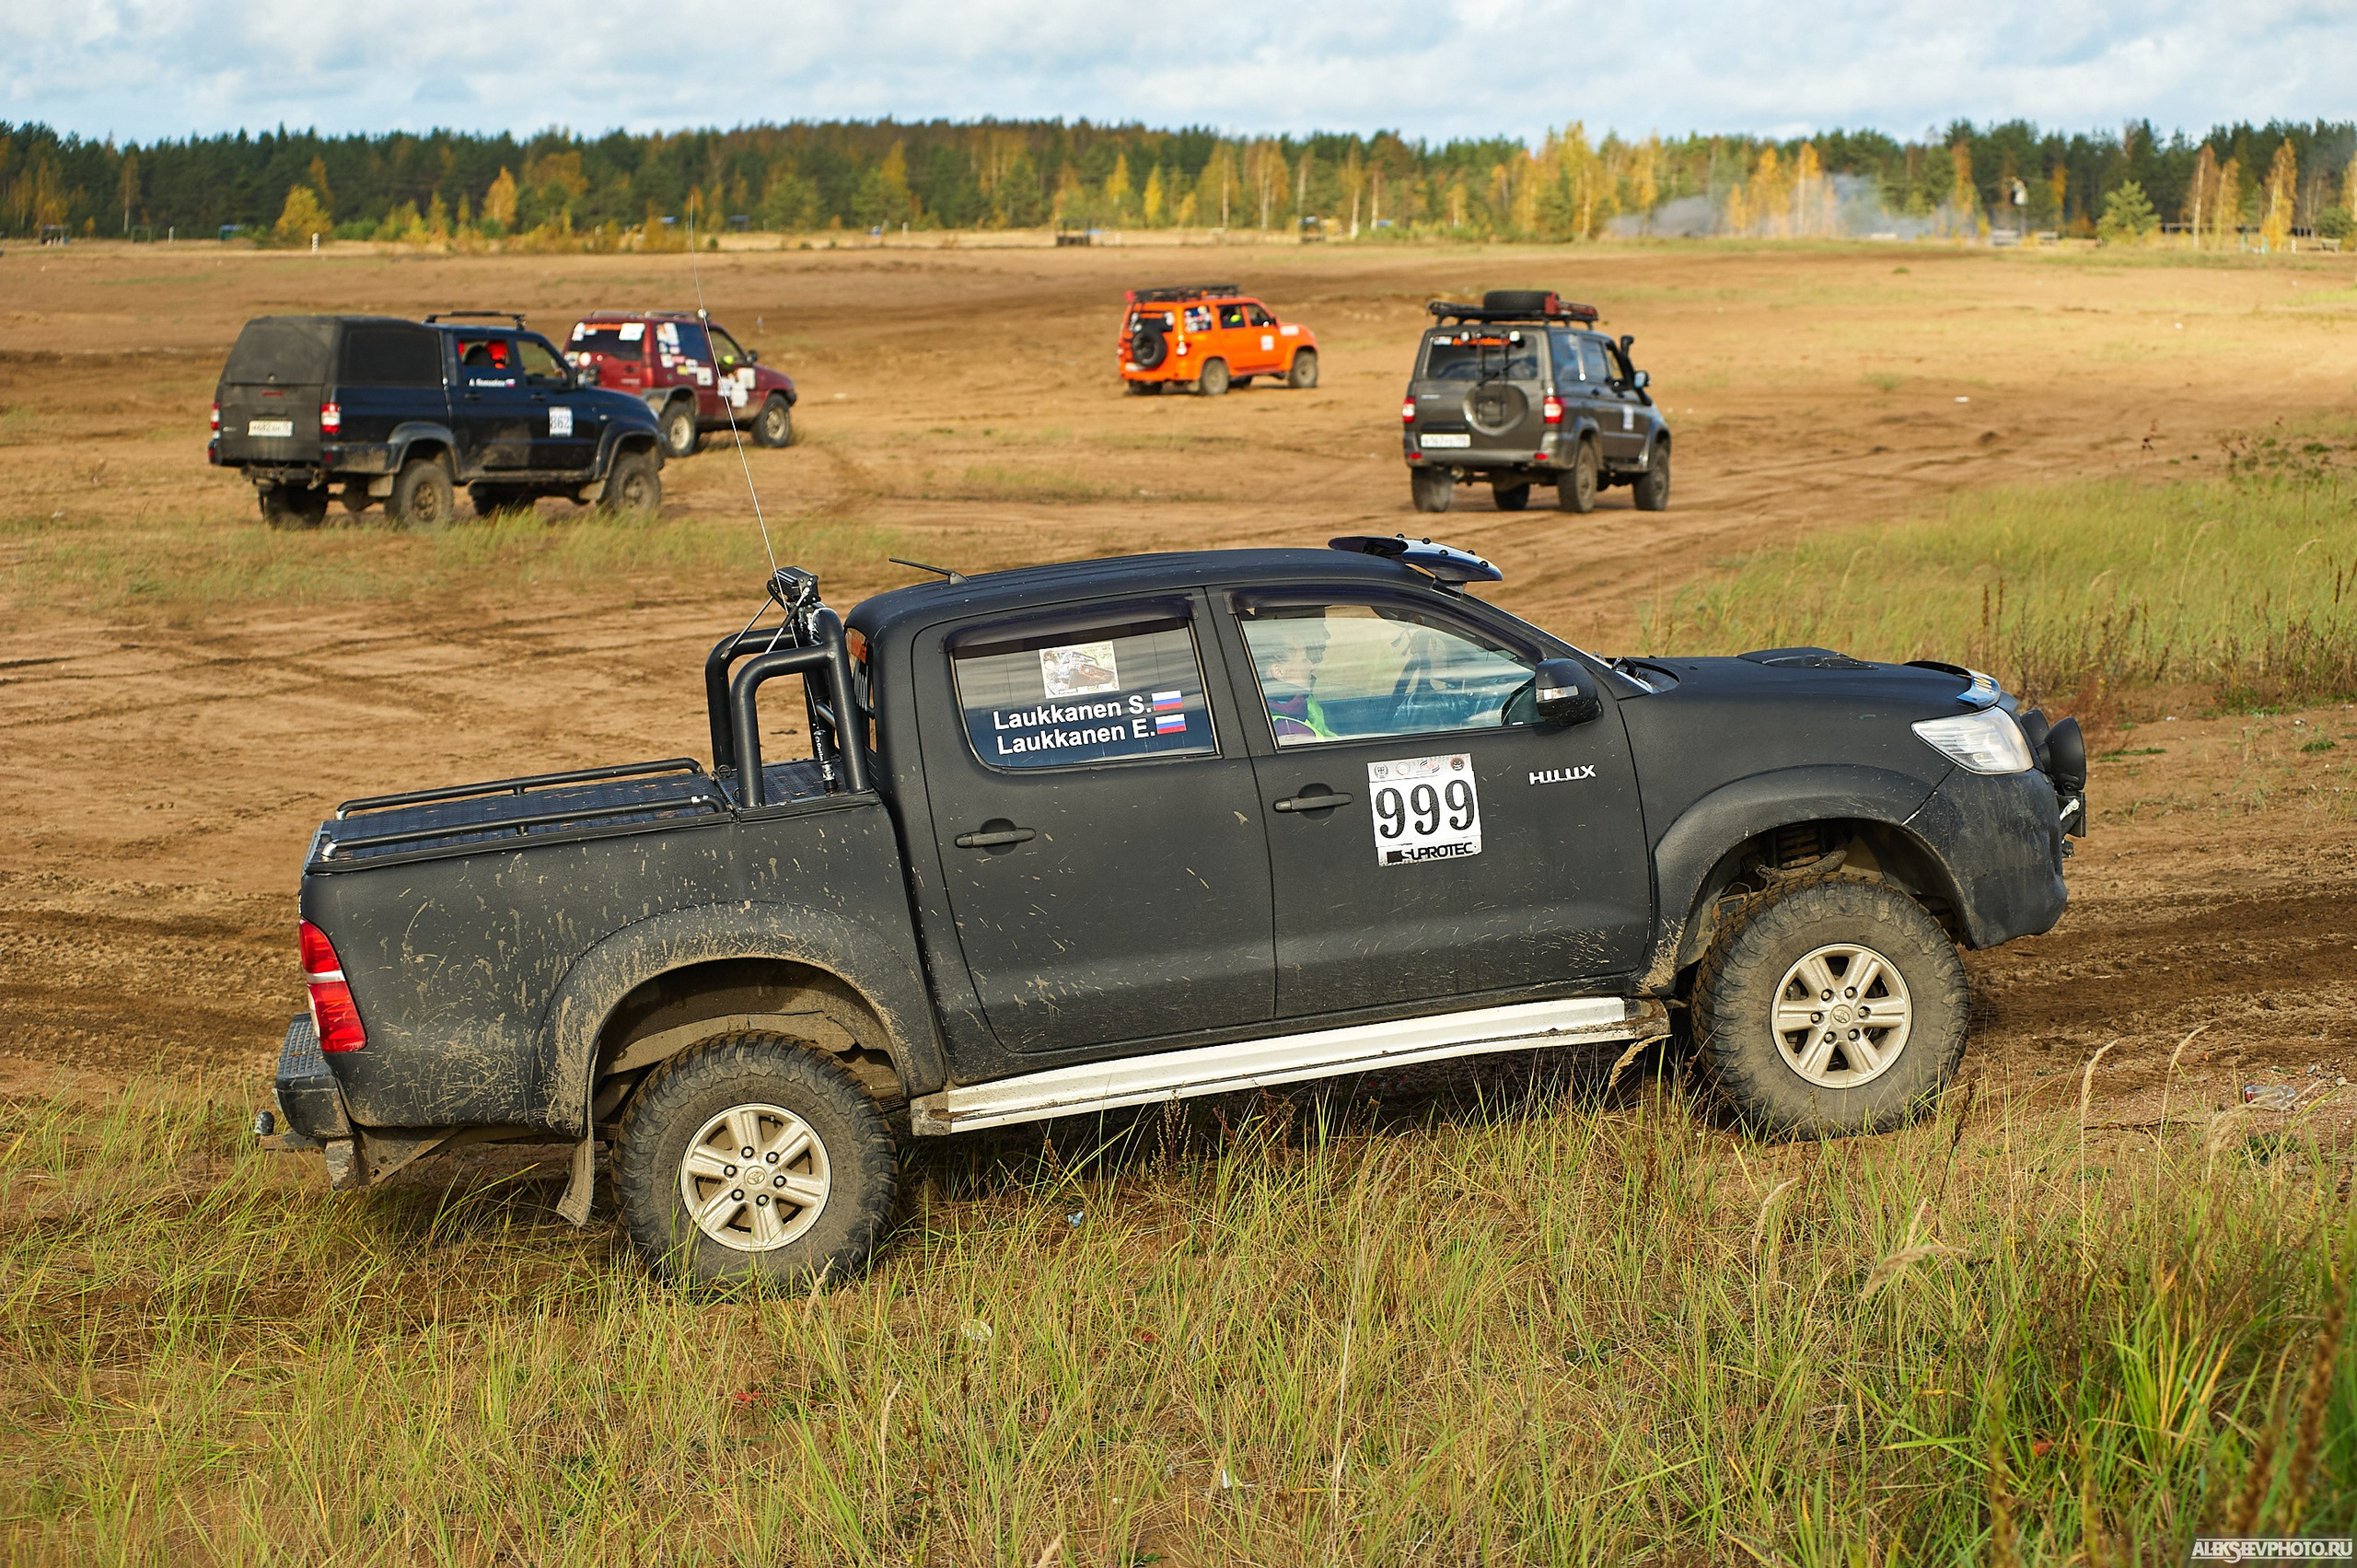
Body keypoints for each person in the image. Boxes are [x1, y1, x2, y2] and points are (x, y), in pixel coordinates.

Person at [1253, 619, 1336, 743]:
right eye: (1303, 659)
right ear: (1279, 671)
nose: (1311, 666)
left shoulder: (1294, 709)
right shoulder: (1290, 731)